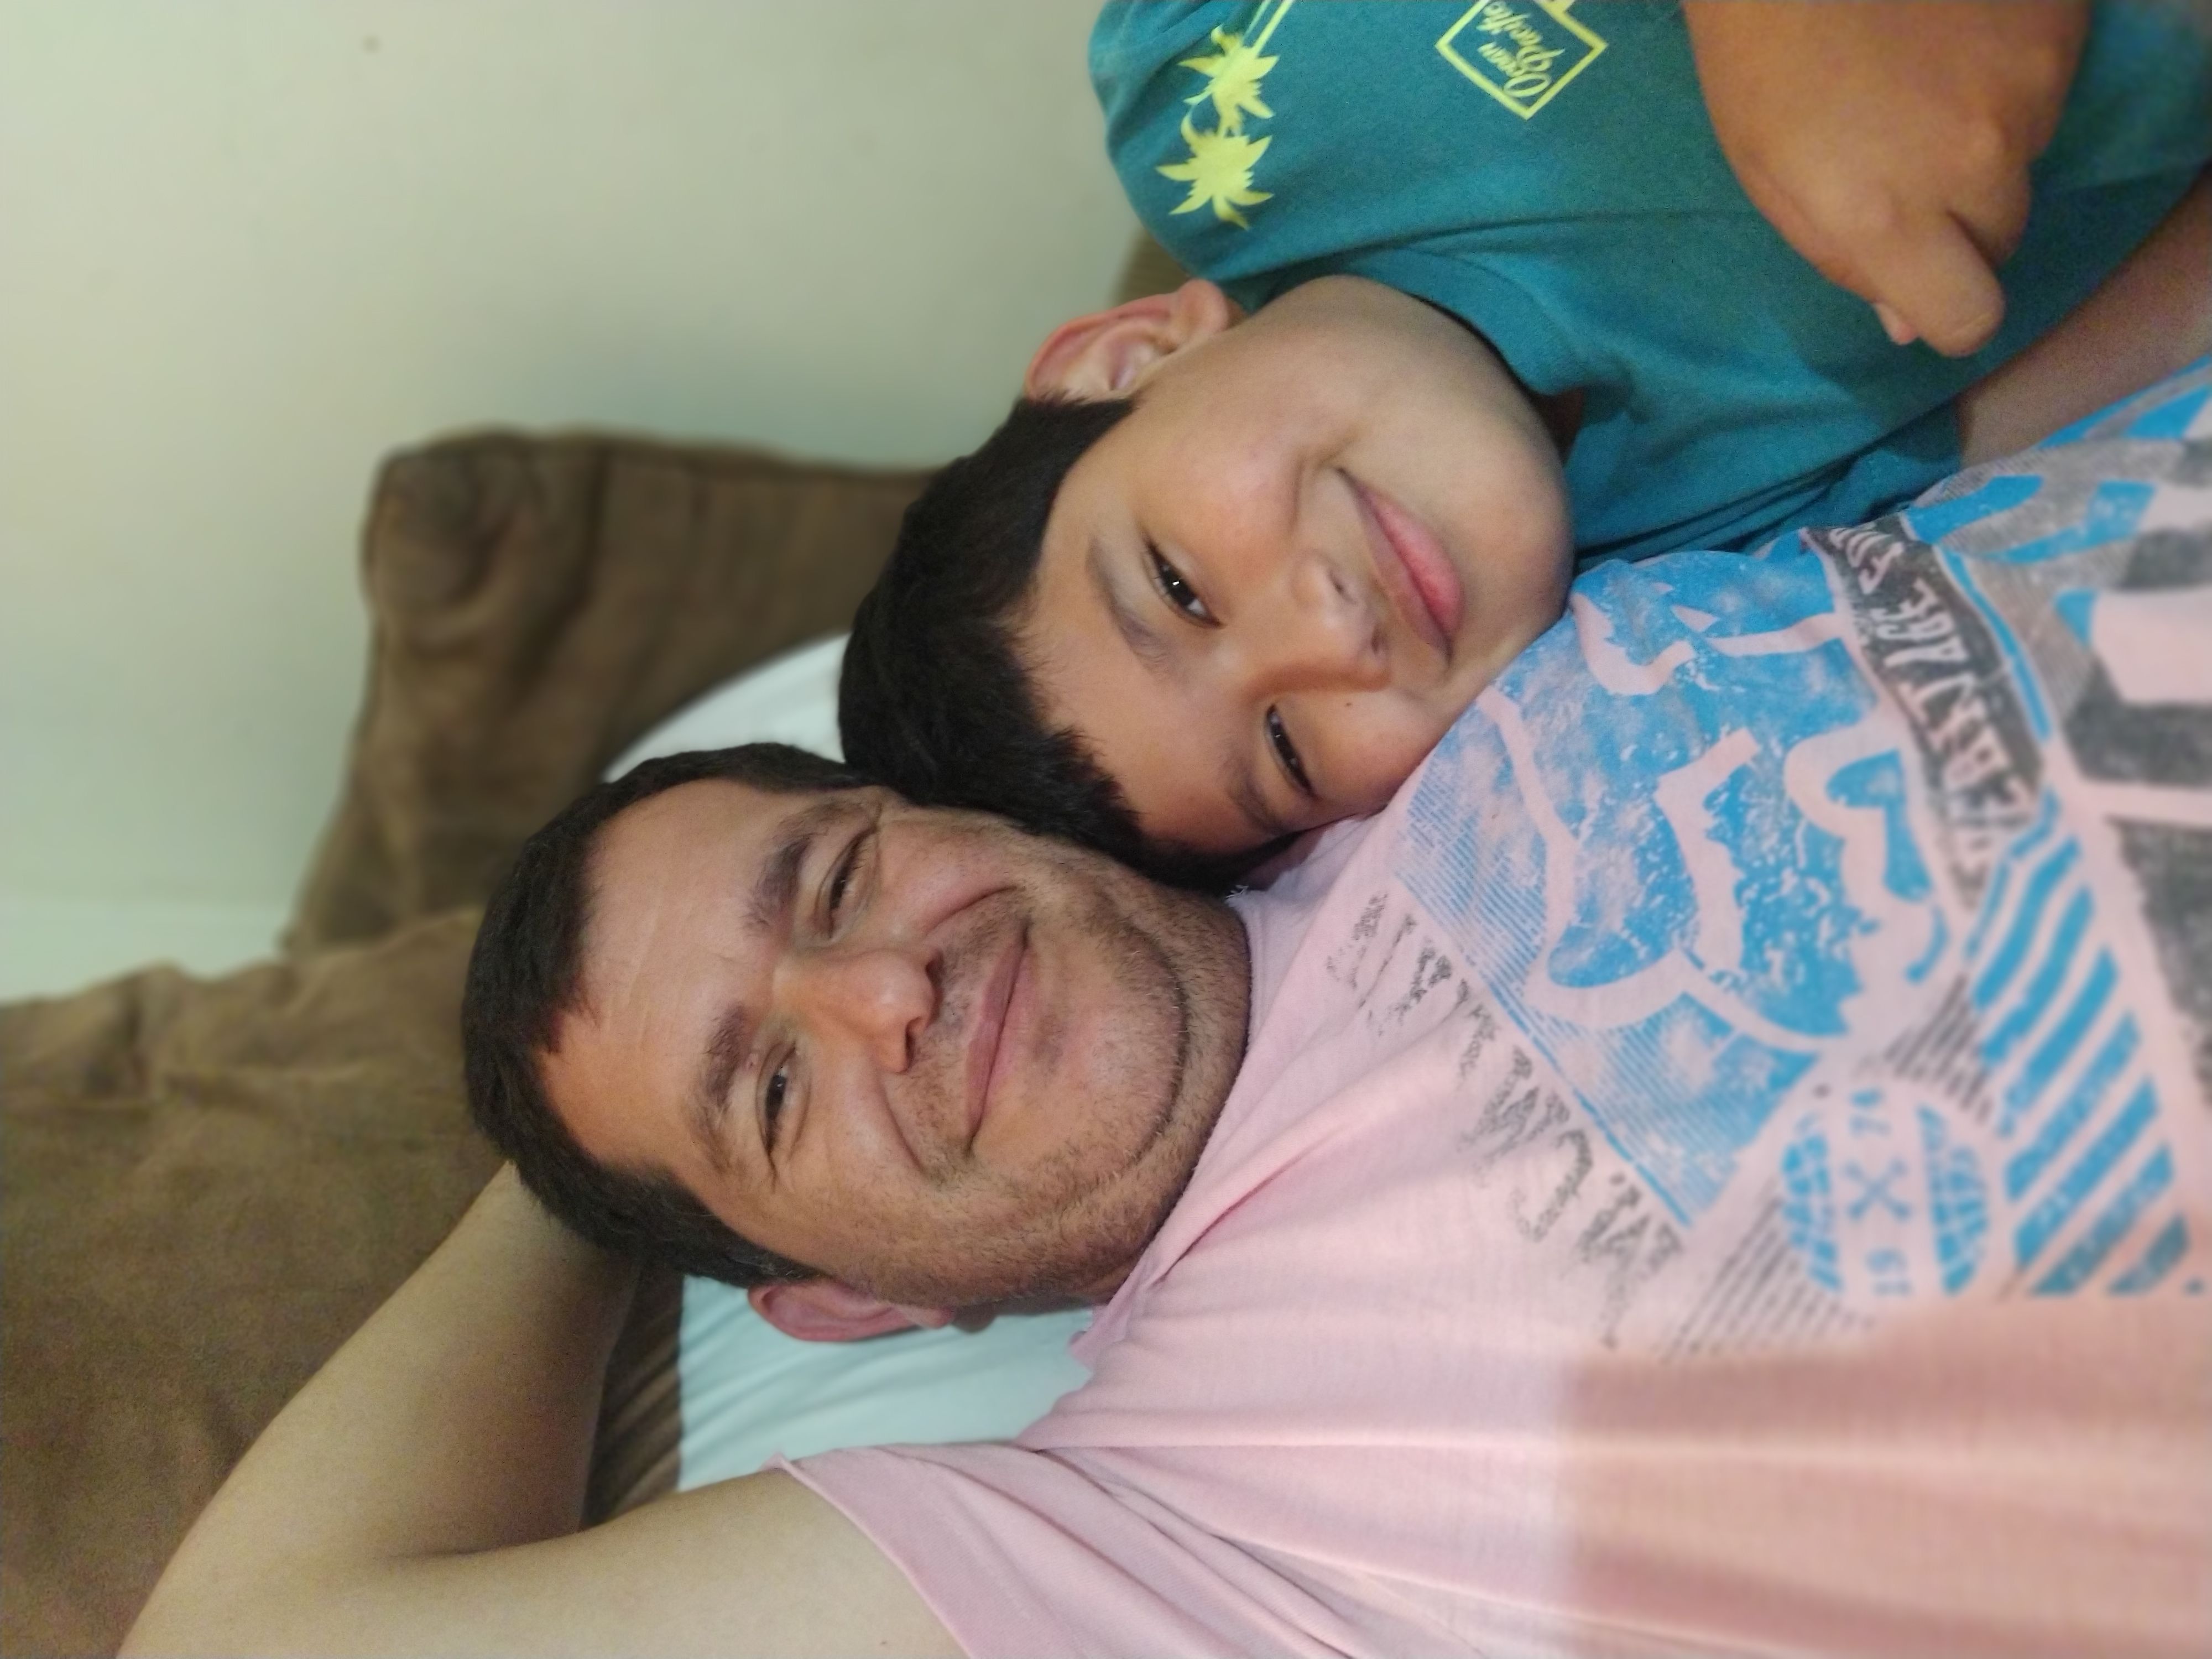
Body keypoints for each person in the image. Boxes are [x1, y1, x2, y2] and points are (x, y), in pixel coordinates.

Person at [126, 366, 2212, 1657]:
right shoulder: (1184, 1522)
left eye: (835, 883)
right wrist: (559, 1176)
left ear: (950, 808)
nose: (885, 991)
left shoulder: (1396, 660)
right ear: (842, 1302)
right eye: (770, 1090)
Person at [838, 2, 2212, 875]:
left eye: (1179, 588)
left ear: (1121, 361)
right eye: (1288, 751)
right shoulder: (1728, 554)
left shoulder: (1206, 81)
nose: (1328, 634)